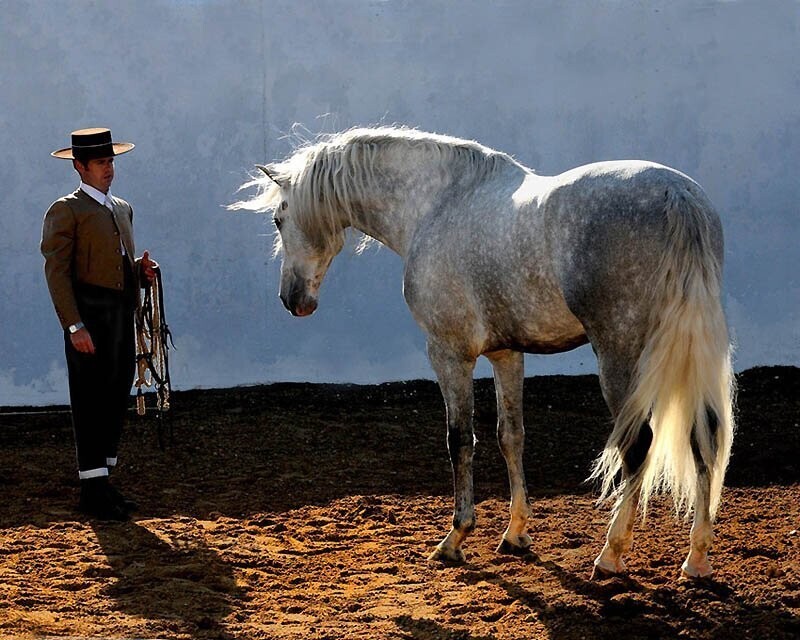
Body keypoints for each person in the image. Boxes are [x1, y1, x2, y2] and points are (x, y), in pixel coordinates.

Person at [41, 127, 156, 521]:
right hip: (89, 315)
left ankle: (103, 482)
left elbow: (118, 265)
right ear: (80, 167)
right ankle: (91, 488)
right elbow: (56, 272)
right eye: (101, 163)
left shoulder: (121, 208)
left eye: (110, 161)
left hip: (121, 314)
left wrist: (141, 273)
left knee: (114, 393)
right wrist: (74, 326)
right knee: (89, 399)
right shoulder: (65, 210)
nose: (109, 169)